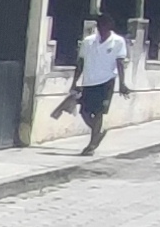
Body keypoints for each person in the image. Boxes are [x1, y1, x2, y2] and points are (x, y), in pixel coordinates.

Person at [55, 16, 135, 155]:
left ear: (109, 27)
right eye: (100, 26)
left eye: (105, 26)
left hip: (106, 81)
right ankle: (98, 133)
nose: (102, 29)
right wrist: (74, 82)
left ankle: (92, 145)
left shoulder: (118, 41)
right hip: (89, 81)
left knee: (98, 113)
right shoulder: (88, 41)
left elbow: (120, 64)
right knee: (84, 112)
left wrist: (122, 84)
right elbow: (81, 63)